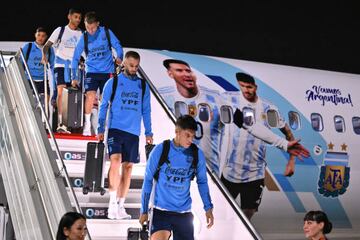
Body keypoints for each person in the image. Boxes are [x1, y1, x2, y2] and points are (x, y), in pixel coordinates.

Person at [159, 59, 309, 178]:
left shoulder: (216, 99)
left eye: (188, 70)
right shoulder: (162, 97)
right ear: (170, 74)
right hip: (176, 171)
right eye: (179, 70)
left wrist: (283, 143)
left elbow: (250, 125)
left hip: (208, 174)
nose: (186, 74)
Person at [221, 72, 303, 220]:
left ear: (256, 87)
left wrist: (291, 161)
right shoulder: (230, 100)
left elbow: (288, 133)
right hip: (230, 172)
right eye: (242, 86)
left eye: (249, 87)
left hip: (255, 173)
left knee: (247, 216)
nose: (246, 90)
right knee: (222, 214)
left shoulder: (268, 108)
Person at [140, 115, 214, 240]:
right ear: (177, 132)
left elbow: (202, 182)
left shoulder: (197, 154)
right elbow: (148, 180)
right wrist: (144, 210)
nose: (191, 140)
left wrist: (208, 208)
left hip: (184, 213)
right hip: (161, 211)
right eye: (187, 135)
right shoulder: (160, 150)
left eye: (192, 136)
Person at [98, 51, 153, 219]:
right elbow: (103, 106)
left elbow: (146, 110)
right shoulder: (113, 82)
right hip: (116, 128)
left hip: (133, 132)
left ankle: (121, 206)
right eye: (131, 65)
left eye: (136, 66)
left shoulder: (143, 86)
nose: (134, 69)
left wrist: (148, 132)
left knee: (128, 168)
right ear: (124, 64)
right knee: (115, 161)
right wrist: (100, 128)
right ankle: (112, 203)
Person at [72, 11, 123, 136]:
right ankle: (87, 125)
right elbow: (75, 57)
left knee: (104, 99)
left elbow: (118, 46)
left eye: (93, 28)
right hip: (92, 71)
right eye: (88, 27)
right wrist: (74, 77)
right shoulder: (84, 37)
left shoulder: (106, 32)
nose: (90, 30)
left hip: (107, 71)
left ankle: (103, 125)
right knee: (90, 96)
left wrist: (120, 56)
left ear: (98, 24)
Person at [42, 8, 83, 133]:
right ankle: (60, 123)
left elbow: (83, 51)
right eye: (75, 17)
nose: (78, 20)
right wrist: (45, 56)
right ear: (69, 17)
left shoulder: (81, 33)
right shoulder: (61, 30)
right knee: (60, 92)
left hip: (74, 67)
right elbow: (46, 45)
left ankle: (70, 123)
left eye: (79, 18)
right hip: (60, 64)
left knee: (72, 94)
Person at [21, 27, 55, 101]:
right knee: (30, 105)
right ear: (35, 35)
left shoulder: (49, 49)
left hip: (43, 80)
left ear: (46, 37)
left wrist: (55, 80)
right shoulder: (28, 46)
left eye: (43, 36)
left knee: (44, 104)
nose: (40, 38)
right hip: (29, 79)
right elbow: (20, 62)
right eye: (39, 35)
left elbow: (53, 66)